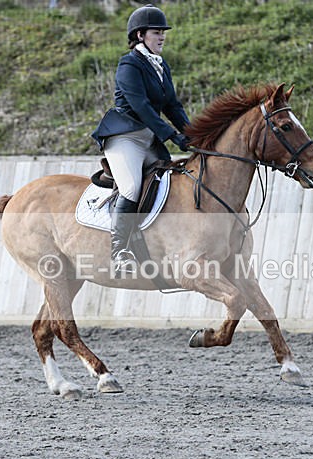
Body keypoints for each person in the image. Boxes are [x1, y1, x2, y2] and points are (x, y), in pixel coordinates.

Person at [91, 3, 191, 274]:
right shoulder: (129, 64)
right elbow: (142, 107)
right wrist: (172, 135)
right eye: (156, 32)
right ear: (140, 35)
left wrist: (193, 134)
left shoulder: (161, 65)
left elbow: (172, 105)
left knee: (174, 181)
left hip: (149, 140)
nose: (162, 37)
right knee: (132, 187)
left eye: (163, 32)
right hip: (125, 138)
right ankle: (119, 252)